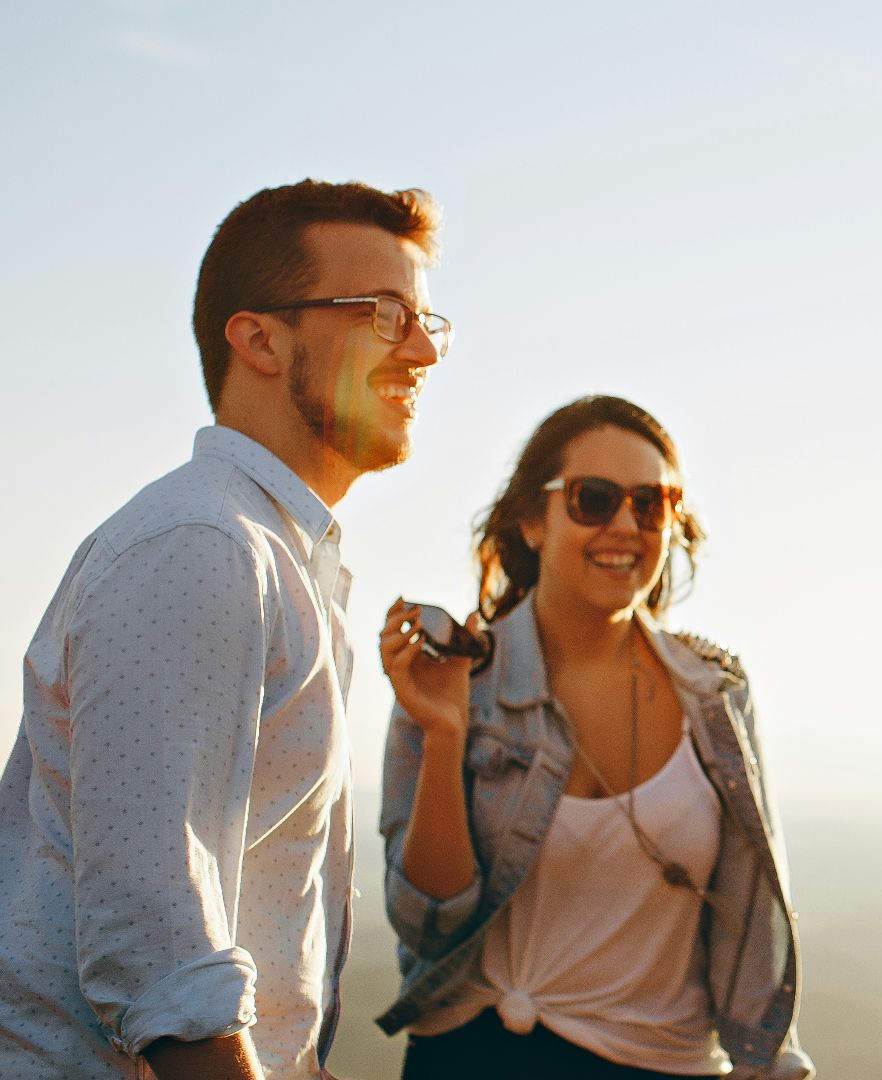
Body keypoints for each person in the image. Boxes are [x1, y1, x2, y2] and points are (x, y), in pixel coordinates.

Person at [0, 181, 447, 1079]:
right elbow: (162, 960)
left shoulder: (274, 556)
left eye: (429, 319)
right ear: (260, 339)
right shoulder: (204, 547)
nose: (424, 350)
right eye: (388, 314)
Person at [374, 395, 811, 1080]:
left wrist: (771, 1064)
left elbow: (751, 917)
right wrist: (443, 733)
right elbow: (428, 924)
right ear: (531, 520)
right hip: (473, 1058)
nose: (625, 526)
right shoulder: (457, 680)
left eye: (652, 504)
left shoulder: (716, 693)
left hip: (662, 1065)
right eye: (594, 498)